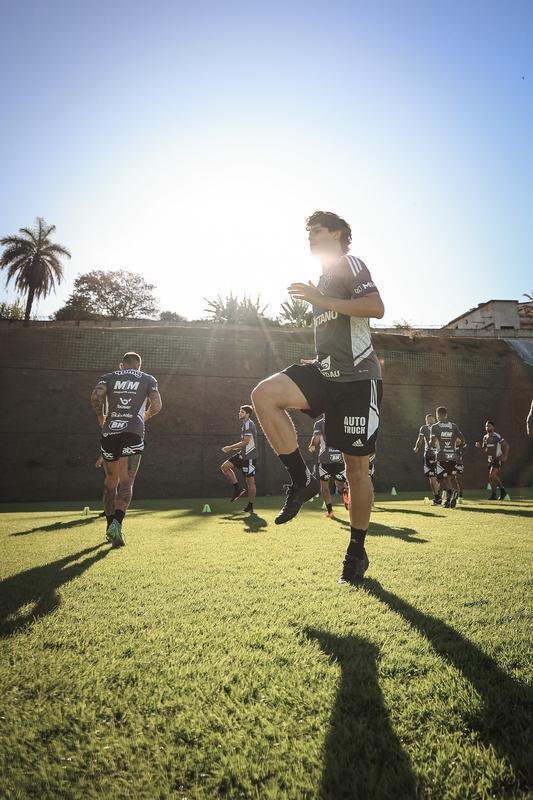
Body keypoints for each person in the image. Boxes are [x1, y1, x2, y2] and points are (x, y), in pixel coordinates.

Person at [252, 210, 384, 585]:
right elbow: (337, 328)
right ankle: (302, 480)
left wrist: (319, 298)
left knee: (356, 470)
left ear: (339, 234)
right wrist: (319, 353)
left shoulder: (349, 264)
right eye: (308, 232)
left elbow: (375, 307)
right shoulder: (324, 277)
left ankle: (356, 552)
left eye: (318, 230)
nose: (310, 236)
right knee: (264, 395)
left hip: (358, 380)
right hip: (326, 372)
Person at [90, 352, 162, 546]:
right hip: (133, 432)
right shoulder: (147, 379)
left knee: (110, 481)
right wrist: (143, 417)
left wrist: (101, 418)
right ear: (139, 365)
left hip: (110, 433)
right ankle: (117, 525)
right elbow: (157, 405)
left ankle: (108, 527)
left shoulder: (110, 376)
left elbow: (96, 396)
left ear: (121, 365)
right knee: (126, 483)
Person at [308, 415, 347, 519]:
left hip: (325, 460)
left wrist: (312, 444)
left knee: (325, 487)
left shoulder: (319, 423)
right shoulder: (341, 420)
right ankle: (346, 493)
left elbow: (316, 438)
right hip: (340, 458)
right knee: (340, 485)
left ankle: (330, 512)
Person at [220, 405, 258, 513]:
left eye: (242, 412)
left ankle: (250, 505)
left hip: (250, 457)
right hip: (242, 455)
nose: (239, 413)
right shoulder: (245, 424)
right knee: (225, 467)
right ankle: (238, 489)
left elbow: (245, 442)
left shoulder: (249, 425)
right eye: (239, 411)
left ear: (248, 414)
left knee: (250, 482)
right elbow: (245, 443)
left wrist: (230, 448)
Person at [429, 407, 466, 508]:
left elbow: (432, 442)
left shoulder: (435, 427)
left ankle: (452, 492)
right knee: (448, 478)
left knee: (440, 479)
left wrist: (432, 444)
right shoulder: (453, 426)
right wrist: (456, 443)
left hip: (441, 456)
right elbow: (462, 439)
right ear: (446, 415)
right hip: (452, 456)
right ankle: (448, 500)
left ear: (437, 416)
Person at [475, 421, 510, 500]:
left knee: (492, 475)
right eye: (486, 426)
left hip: (498, 458)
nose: (487, 427)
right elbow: (485, 450)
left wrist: (505, 456)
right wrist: (480, 447)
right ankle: (494, 495)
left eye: (489, 426)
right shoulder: (485, 437)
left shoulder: (497, 436)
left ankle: (503, 491)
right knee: (491, 478)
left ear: (493, 427)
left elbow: (506, 445)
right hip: (490, 460)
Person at [413, 413, 442, 505]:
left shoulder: (436, 427)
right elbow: (420, 439)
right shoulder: (425, 428)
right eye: (428, 420)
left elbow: (420, 440)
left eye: (431, 419)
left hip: (433, 454)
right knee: (433, 477)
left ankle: (438, 497)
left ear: (435, 420)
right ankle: (437, 497)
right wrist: (416, 447)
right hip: (432, 454)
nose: (429, 421)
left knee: (433, 477)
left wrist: (416, 448)